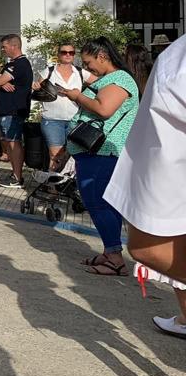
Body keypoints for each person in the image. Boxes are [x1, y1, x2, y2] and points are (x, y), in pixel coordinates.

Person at [104, 35, 186, 335]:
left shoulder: (172, 66)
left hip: (162, 171)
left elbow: (148, 248)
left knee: (153, 245)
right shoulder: (172, 62)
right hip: (165, 172)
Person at [59, 37, 140, 276]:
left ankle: (115, 258)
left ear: (102, 56)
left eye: (88, 62)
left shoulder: (121, 79)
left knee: (97, 202)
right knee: (103, 203)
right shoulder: (110, 79)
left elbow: (104, 109)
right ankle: (110, 251)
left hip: (103, 152)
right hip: (95, 152)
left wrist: (77, 96)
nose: (87, 68)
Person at [32, 42, 89, 171]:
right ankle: (53, 188)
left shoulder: (80, 72)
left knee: (72, 155)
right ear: (58, 54)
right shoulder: (49, 71)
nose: (68, 55)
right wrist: (36, 87)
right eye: (64, 52)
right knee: (55, 155)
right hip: (52, 119)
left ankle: (67, 185)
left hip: (75, 120)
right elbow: (38, 90)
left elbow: (101, 83)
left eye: (71, 52)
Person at [0, 34, 34, 188]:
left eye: (4, 47)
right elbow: (0, 81)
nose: (3, 50)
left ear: (13, 46)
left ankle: (17, 177)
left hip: (13, 110)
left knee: (13, 143)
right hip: (7, 109)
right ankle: (14, 173)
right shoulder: (14, 64)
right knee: (9, 142)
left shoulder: (18, 64)